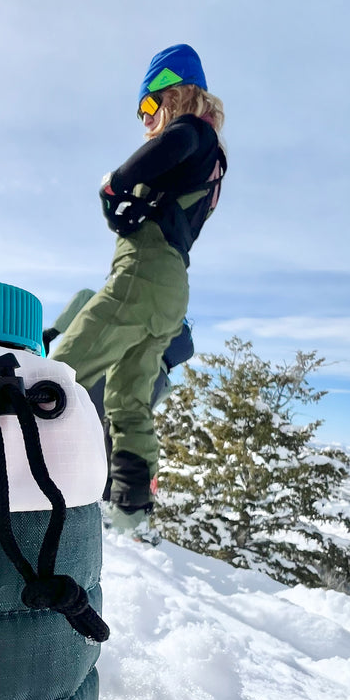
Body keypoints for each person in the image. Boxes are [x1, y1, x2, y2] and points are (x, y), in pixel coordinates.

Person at [49, 44, 226, 531]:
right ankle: (130, 507)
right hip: (172, 292)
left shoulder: (191, 132)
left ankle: (20, 461)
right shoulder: (210, 160)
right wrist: (133, 206)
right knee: (127, 398)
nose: (146, 119)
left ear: (174, 92)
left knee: (65, 366)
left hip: (143, 276)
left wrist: (114, 186)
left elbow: (160, 151)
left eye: (149, 105)